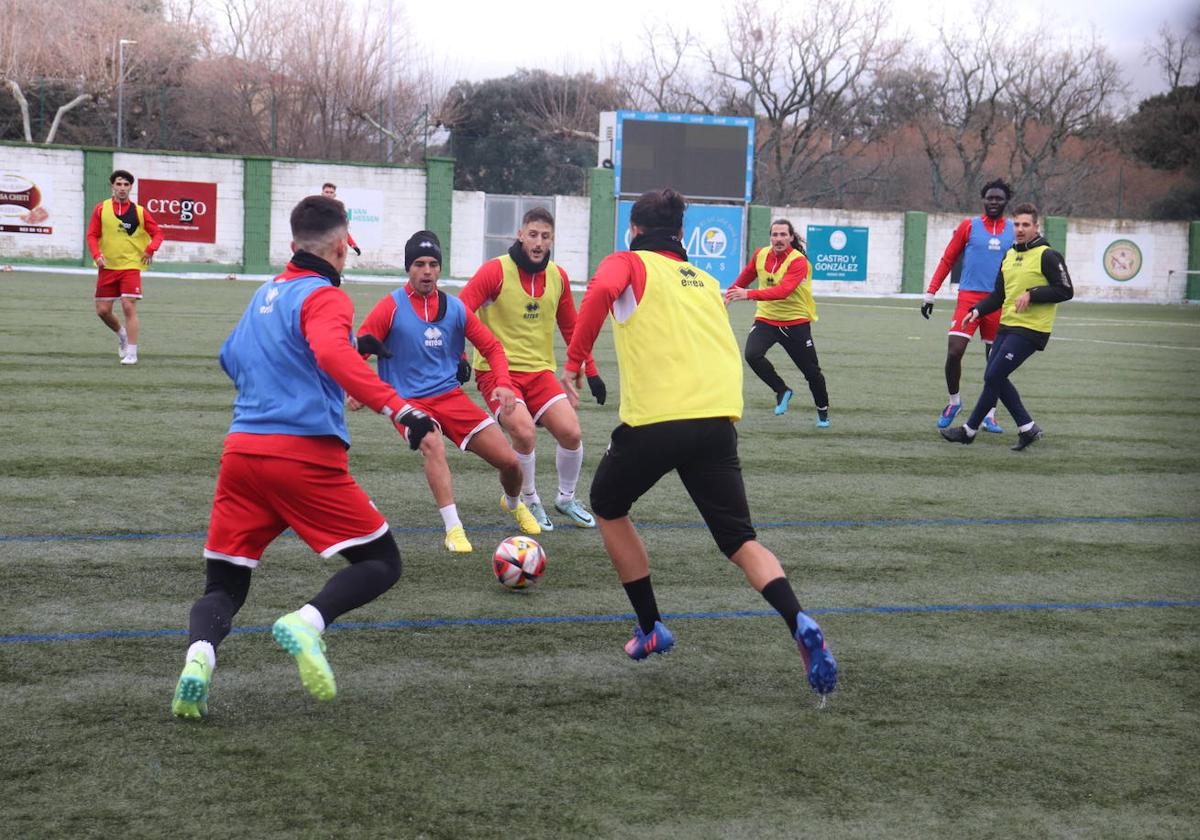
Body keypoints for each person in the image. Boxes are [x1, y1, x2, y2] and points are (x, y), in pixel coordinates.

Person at [561, 188, 837, 698]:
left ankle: (650, 628)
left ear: (635, 230)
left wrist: (574, 361)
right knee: (739, 540)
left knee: (606, 504)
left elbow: (600, 291)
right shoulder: (705, 279)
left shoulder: (629, 262)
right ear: (683, 235)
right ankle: (797, 618)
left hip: (659, 419)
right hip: (717, 421)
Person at [171, 195, 437, 719]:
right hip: (302, 456)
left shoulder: (265, 292)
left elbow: (230, 356)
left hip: (242, 453)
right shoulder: (326, 296)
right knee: (382, 561)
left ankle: (199, 657)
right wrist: (401, 411)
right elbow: (334, 354)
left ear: (294, 245)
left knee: (224, 583)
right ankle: (307, 622)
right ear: (341, 248)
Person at [353, 231, 542, 553]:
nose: (426, 271)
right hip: (407, 401)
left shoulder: (455, 309)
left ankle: (512, 503)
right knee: (431, 442)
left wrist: (503, 383)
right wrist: (357, 387)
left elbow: (493, 347)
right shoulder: (391, 307)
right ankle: (453, 528)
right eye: (418, 264)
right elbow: (357, 349)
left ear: (440, 269)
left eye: (432, 264)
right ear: (407, 269)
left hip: (450, 398)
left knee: (510, 463)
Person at [459, 207, 606, 532]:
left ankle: (565, 498)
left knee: (572, 432)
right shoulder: (494, 271)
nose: (539, 242)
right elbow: (459, 310)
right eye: (533, 234)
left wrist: (590, 370)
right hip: (498, 375)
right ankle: (529, 499)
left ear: (551, 240)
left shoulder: (558, 276)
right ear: (520, 235)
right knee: (523, 432)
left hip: (540, 373)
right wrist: (461, 356)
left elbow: (573, 329)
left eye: (545, 236)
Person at [940, 202, 1073, 451]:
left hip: (1032, 330)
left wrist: (1032, 294)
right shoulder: (1009, 255)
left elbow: (1065, 290)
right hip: (1007, 325)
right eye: (1017, 224)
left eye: (1026, 225)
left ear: (1036, 227)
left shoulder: (1048, 255)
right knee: (995, 377)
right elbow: (998, 295)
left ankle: (969, 430)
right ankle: (1027, 427)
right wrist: (977, 310)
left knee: (993, 375)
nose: (1020, 229)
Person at [922, 179, 1016, 433]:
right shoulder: (969, 226)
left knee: (995, 363)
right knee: (954, 351)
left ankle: (990, 415)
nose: (994, 202)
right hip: (969, 299)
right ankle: (954, 402)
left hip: (999, 301)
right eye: (990, 198)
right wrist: (930, 293)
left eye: (999, 198)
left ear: (1006, 201)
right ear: (983, 200)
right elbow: (948, 258)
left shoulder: (1014, 230)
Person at [725, 218, 831, 427]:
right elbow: (744, 278)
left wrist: (748, 294)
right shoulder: (760, 254)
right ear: (770, 237)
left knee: (812, 373)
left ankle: (823, 412)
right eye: (775, 235)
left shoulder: (798, 261)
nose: (779, 239)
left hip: (795, 322)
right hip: (766, 319)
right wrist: (728, 295)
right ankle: (782, 390)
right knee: (752, 355)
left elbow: (783, 291)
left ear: (791, 237)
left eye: (783, 235)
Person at [86, 169, 163, 365]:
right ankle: (122, 335)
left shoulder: (139, 211)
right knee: (102, 311)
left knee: (128, 305)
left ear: (130, 187)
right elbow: (92, 235)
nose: (122, 188)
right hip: (107, 266)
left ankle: (132, 353)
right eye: (118, 184)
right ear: (112, 186)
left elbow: (158, 234)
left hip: (130, 266)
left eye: (126, 184)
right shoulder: (101, 209)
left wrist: (150, 250)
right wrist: (97, 254)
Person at [321, 182, 361, 256]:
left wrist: (353, 245)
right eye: (326, 192)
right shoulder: (314, 208)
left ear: (334, 195)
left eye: (331, 192)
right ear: (322, 193)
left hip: (333, 249)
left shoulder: (339, 211)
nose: (329, 194)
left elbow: (343, 231)